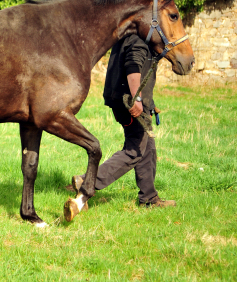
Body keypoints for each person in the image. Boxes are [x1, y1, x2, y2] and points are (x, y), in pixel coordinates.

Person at [71, 34, 175, 207]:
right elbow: (133, 66)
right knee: (134, 150)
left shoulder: (127, 35)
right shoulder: (139, 39)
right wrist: (138, 99)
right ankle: (87, 181)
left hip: (125, 102)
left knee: (147, 146)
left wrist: (149, 103)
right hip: (131, 104)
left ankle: (148, 198)